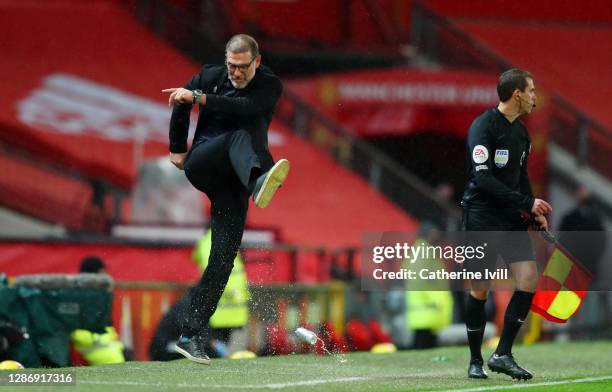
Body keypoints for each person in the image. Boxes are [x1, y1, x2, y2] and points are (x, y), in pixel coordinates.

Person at [162, 34, 289, 365]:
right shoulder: (210, 76)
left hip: (232, 183)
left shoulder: (269, 85)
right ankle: (260, 180)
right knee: (236, 137)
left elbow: (245, 107)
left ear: (257, 62)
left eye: (243, 67)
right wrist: (177, 146)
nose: (235, 73)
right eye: (231, 66)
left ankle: (190, 336)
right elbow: (181, 99)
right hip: (205, 160)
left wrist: (200, 98)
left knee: (222, 261)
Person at [461, 69, 552, 380]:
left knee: (528, 278)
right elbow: (482, 178)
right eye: (531, 91)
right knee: (480, 287)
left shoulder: (522, 134)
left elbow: (521, 178)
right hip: (482, 215)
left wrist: (532, 210)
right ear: (517, 94)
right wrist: (527, 203)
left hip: (511, 217)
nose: (534, 97)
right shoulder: (483, 127)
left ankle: (502, 353)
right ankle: (475, 360)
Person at [70, 256, 126, 365]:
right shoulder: (82, 296)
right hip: (98, 352)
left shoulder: (96, 296)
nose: (106, 276)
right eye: (102, 272)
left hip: (107, 350)